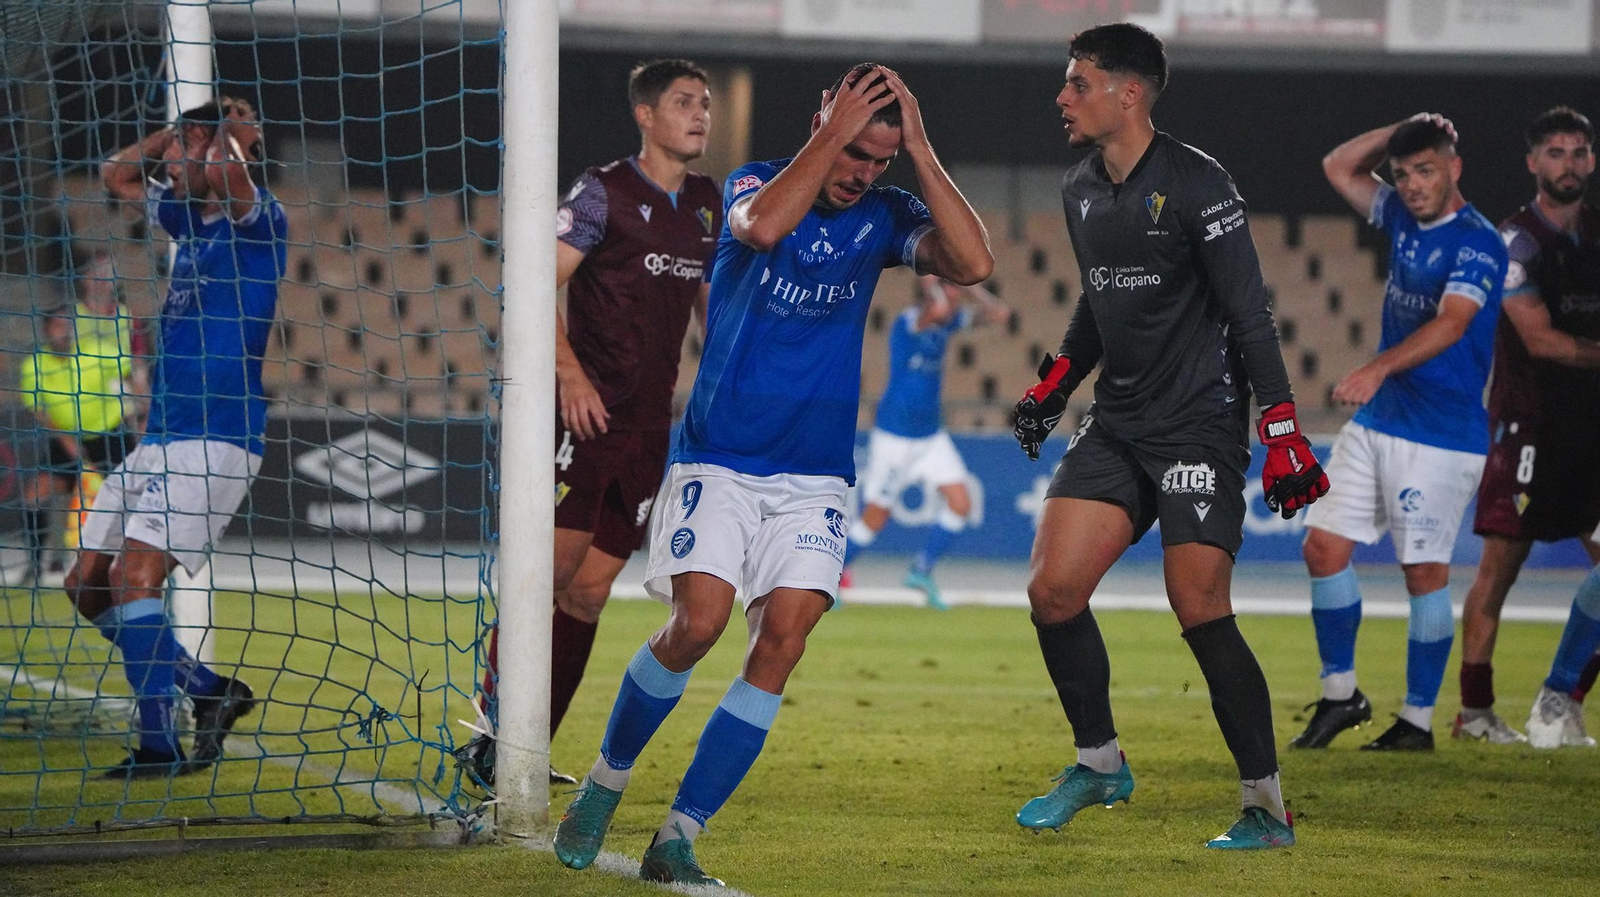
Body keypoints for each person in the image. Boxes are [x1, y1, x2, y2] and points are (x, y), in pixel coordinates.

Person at [553, 63, 992, 886]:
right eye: (854, 151)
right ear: (825, 122)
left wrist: (922, 151)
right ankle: (605, 785)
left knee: (782, 639)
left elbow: (971, 263)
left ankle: (679, 834)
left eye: (878, 161)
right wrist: (830, 141)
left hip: (816, 472)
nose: (862, 173)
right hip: (721, 455)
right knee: (699, 625)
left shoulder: (887, 213)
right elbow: (759, 229)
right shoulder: (755, 184)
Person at [1010, 23, 1325, 851]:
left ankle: (1265, 804)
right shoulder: (1080, 186)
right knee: (1052, 591)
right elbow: (1098, 304)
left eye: (1078, 82)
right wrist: (1054, 385)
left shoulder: (1196, 182)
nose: (1062, 96)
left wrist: (1282, 428)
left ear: (1130, 93)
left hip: (1198, 425)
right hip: (1116, 424)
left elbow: (1250, 312)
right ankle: (1100, 761)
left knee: (1199, 604)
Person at [456, 58, 721, 789]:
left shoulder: (705, 201)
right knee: (550, 577)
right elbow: (533, 285)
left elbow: (711, 306)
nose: (701, 114)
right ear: (645, 114)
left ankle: (530, 749)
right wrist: (569, 375)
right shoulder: (603, 192)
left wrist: (723, 371)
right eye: (684, 102)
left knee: (590, 592)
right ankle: (488, 733)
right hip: (584, 415)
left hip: (647, 427)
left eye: (706, 103)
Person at [64, 95, 286, 778]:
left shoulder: (259, 222)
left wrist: (226, 132)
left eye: (191, 148)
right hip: (159, 437)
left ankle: (158, 745)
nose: (173, 161)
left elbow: (233, 173)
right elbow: (116, 176)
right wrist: (178, 133)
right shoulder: (186, 222)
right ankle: (210, 691)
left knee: (135, 577)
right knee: (84, 585)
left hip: (216, 436)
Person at [1292, 113, 1506, 752]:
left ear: (1454, 169)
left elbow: (1453, 321)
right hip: (1382, 420)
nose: (1412, 185)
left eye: (1426, 170)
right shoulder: (1402, 217)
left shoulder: (1479, 242)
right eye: (1403, 174)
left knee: (1423, 573)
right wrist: (1399, 129)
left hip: (1441, 434)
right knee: (1322, 547)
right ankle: (1341, 696)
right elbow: (1337, 166)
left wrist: (1377, 366)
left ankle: (1415, 721)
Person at [1450, 107, 1600, 748]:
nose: (1569, 163)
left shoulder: (1596, 233)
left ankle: (1560, 698)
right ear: (1534, 162)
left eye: (1579, 151)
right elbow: (1541, 341)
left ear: (1592, 160)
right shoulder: (1514, 242)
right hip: (1531, 427)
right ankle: (1475, 713)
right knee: (1498, 572)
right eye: (1556, 152)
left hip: (1593, 427)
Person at [842, 273, 1008, 609]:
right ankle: (830, 576)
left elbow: (999, 313)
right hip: (895, 436)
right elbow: (939, 307)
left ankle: (922, 569)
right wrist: (934, 283)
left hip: (930, 435)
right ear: (930, 293)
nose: (955, 300)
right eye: (950, 291)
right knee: (875, 518)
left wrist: (967, 284)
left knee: (961, 502)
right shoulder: (910, 322)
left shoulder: (948, 323)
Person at [16, 306, 131, 579]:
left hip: (109, 435)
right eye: (58, 325)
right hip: (66, 439)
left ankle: (128, 562)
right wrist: (67, 442)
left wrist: (142, 408)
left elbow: (132, 373)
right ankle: (35, 564)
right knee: (34, 496)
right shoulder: (34, 365)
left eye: (69, 325)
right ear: (46, 330)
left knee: (130, 499)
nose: (65, 330)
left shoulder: (98, 351)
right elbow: (39, 409)